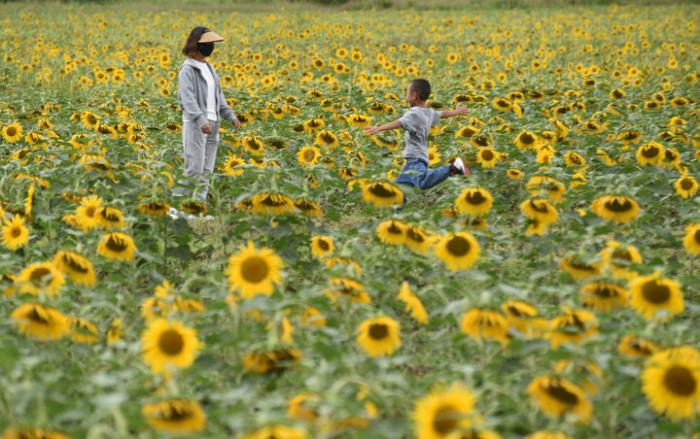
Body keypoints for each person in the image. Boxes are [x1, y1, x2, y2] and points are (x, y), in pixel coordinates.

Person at [174, 26, 241, 210]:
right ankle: (177, 206)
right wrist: (200, 120)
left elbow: (218, 97)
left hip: (213, 123)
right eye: (207, 43)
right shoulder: (187, 69)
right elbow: (187, 99)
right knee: (194, 169)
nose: (211, 47)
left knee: (206, 170)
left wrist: (230, 115)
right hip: (196, 124)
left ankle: (197, 207)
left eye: (212, 43)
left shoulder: (209, 69)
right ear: (196, 44)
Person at [364, 79, 469, 192]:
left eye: (407, 93)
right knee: (401, 189)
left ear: (414, 95)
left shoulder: (413, 114)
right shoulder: (429, 112)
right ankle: (396, 207)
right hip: (418, 156)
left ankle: (452, 168)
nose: (405, 97)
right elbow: (443, 114)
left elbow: (399, 122)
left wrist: (378, 128)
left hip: (415, 157)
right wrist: (456, 112)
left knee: (422, 181)